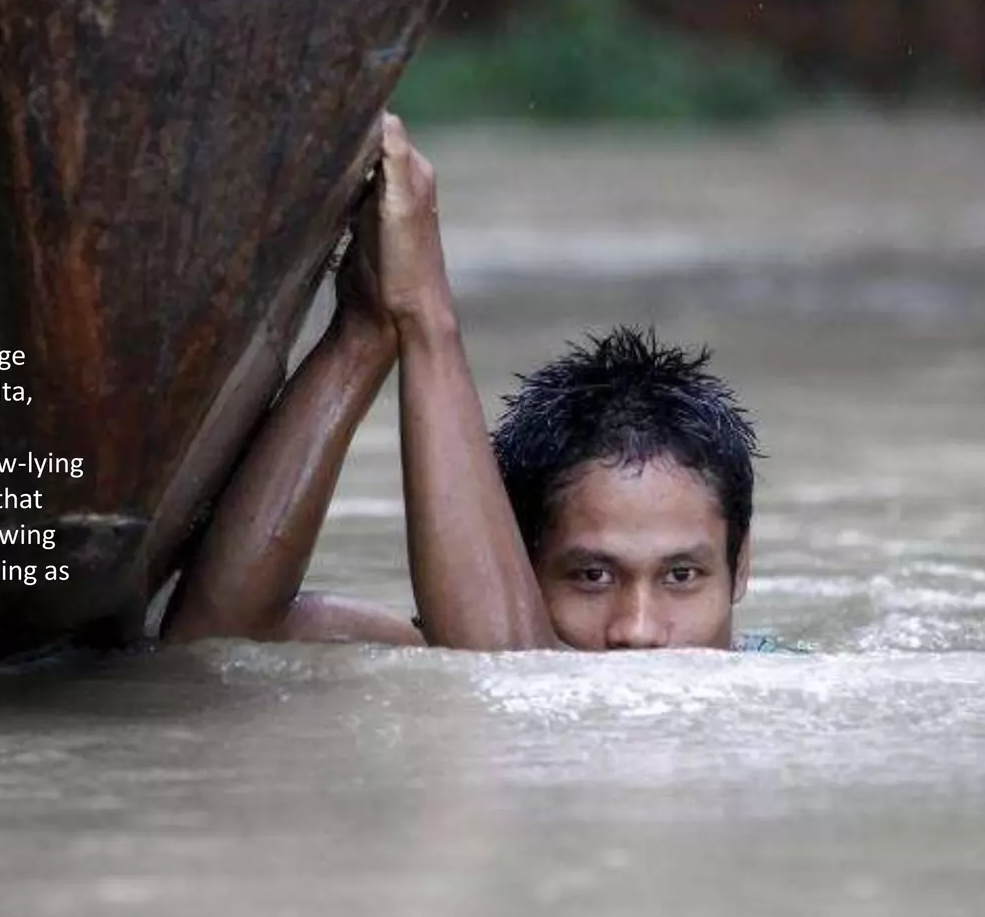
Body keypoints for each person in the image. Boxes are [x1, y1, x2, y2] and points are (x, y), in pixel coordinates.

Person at [162, 114, 763, 652]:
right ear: (518, 563)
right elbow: (218, 643)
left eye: (681, 576)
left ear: (740, 569)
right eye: (591, 576)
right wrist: (365, 333)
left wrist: (426, 313)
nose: (636, 630)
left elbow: (506, 678)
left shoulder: (789, 699)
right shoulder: (444, 647)